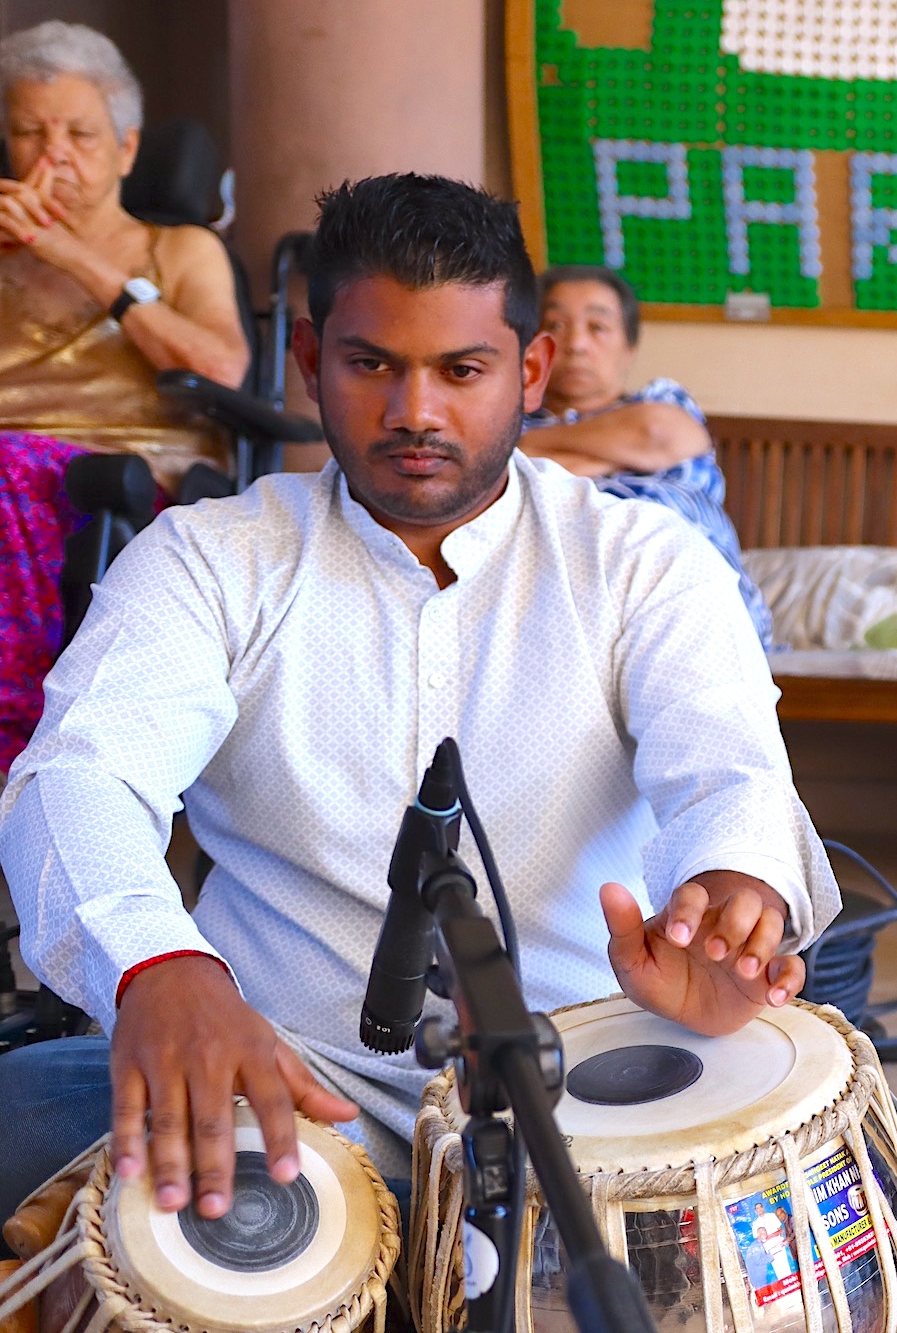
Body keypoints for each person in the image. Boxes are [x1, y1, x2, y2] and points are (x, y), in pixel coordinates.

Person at [0, 172, 839, 1224]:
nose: (415, 412)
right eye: (371, 365)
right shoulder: (211, 558)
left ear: (531, 371)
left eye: (461, 369)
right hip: (279, 1085)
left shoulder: (641, 562)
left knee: (774, 1197)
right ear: (311, 360)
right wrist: (161, 970)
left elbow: (728, 768)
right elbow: (81, 775)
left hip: (581, 1085)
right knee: (25, 1106)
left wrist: (725, 897)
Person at [0, 22, 252, 775]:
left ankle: (20, 739)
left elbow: (223, 367)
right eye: (29, 133)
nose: (53, 155)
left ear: (127, 150)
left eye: (80, 134)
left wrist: (75, 256)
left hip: (127, 479)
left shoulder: (177, 249)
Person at [519, 264, 772, 644]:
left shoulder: (660, 402)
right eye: (555, 325)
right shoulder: (508, 422)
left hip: (702, 612)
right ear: (532, 349)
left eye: (597, 327)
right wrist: (619, 453)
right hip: (571, 613)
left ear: (629, 349)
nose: (576, 344)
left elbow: (656, 432)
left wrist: (531, 449)